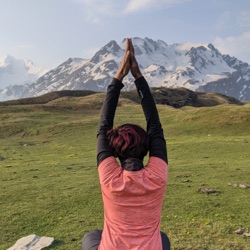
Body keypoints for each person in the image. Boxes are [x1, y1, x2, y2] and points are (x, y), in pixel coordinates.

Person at [82, 38, 170, 250]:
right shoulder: (157, 175)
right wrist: (138, 76)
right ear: (148, 148)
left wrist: (119, 76)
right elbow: (155, 127)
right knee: (163, 239)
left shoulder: (110, 177)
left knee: (90, 237)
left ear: (115, 151)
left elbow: (103, 127)